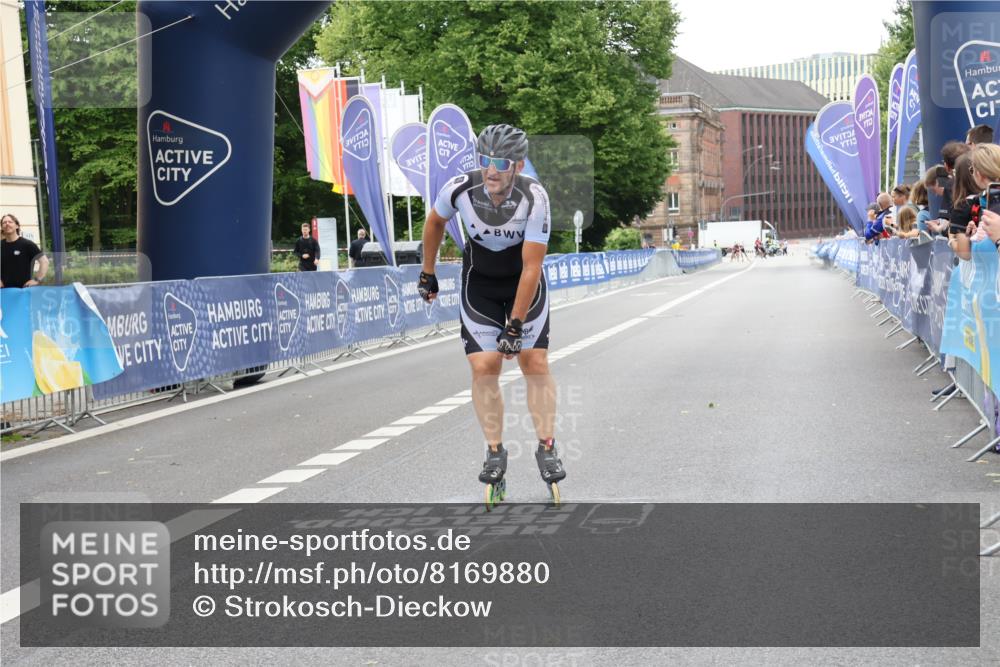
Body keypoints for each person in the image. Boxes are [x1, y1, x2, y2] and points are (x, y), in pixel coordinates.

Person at [417, 123, 565, 496]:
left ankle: (547, 446)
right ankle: (495, 451)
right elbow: (434, 222)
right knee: (485, 365)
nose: (491, 170)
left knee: (534, 361)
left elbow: (532, 267)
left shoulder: (535, 197)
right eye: (484, 160)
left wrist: (514, 327)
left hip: (522, 283)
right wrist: (428, 271)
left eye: (500, 162)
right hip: (479, 283)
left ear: (517, 165)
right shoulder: (460, 189)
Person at [1, 213, 48, 288]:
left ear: (17, 226)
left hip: (24, 290)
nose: (7, 224)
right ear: (2, 227)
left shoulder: (27, 244)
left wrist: (37, 280)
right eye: (4, 222)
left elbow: (44, 261)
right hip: (4, 292)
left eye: (10, 222)